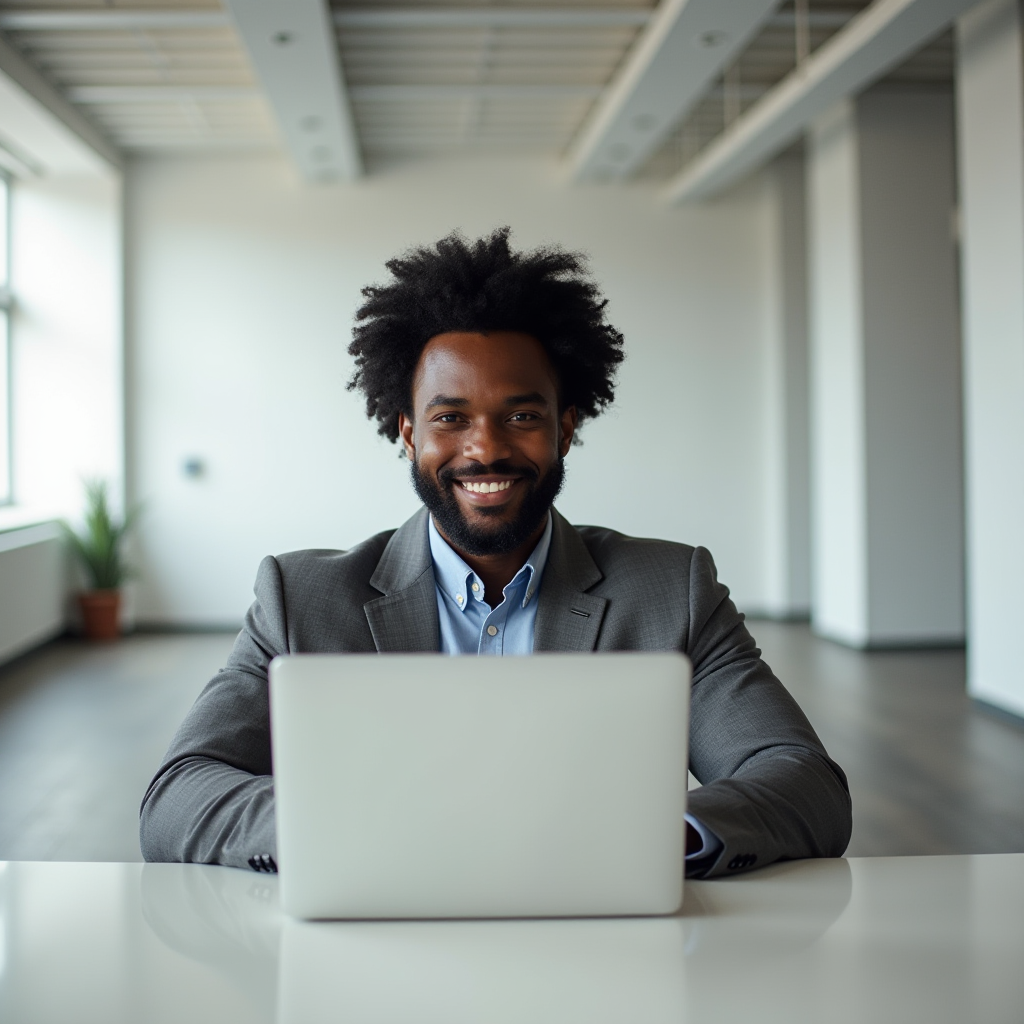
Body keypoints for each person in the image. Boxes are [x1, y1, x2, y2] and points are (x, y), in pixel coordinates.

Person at [140, 228, 852, 878]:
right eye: (450, 418)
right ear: (408, 433)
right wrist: (344, 829)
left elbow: (802, 781)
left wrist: (654, 835)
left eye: (521, 416)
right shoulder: (301, 600)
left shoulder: (672, 590)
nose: (485, 448)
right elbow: (179, 795)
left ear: (567, 427)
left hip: (603, 949)